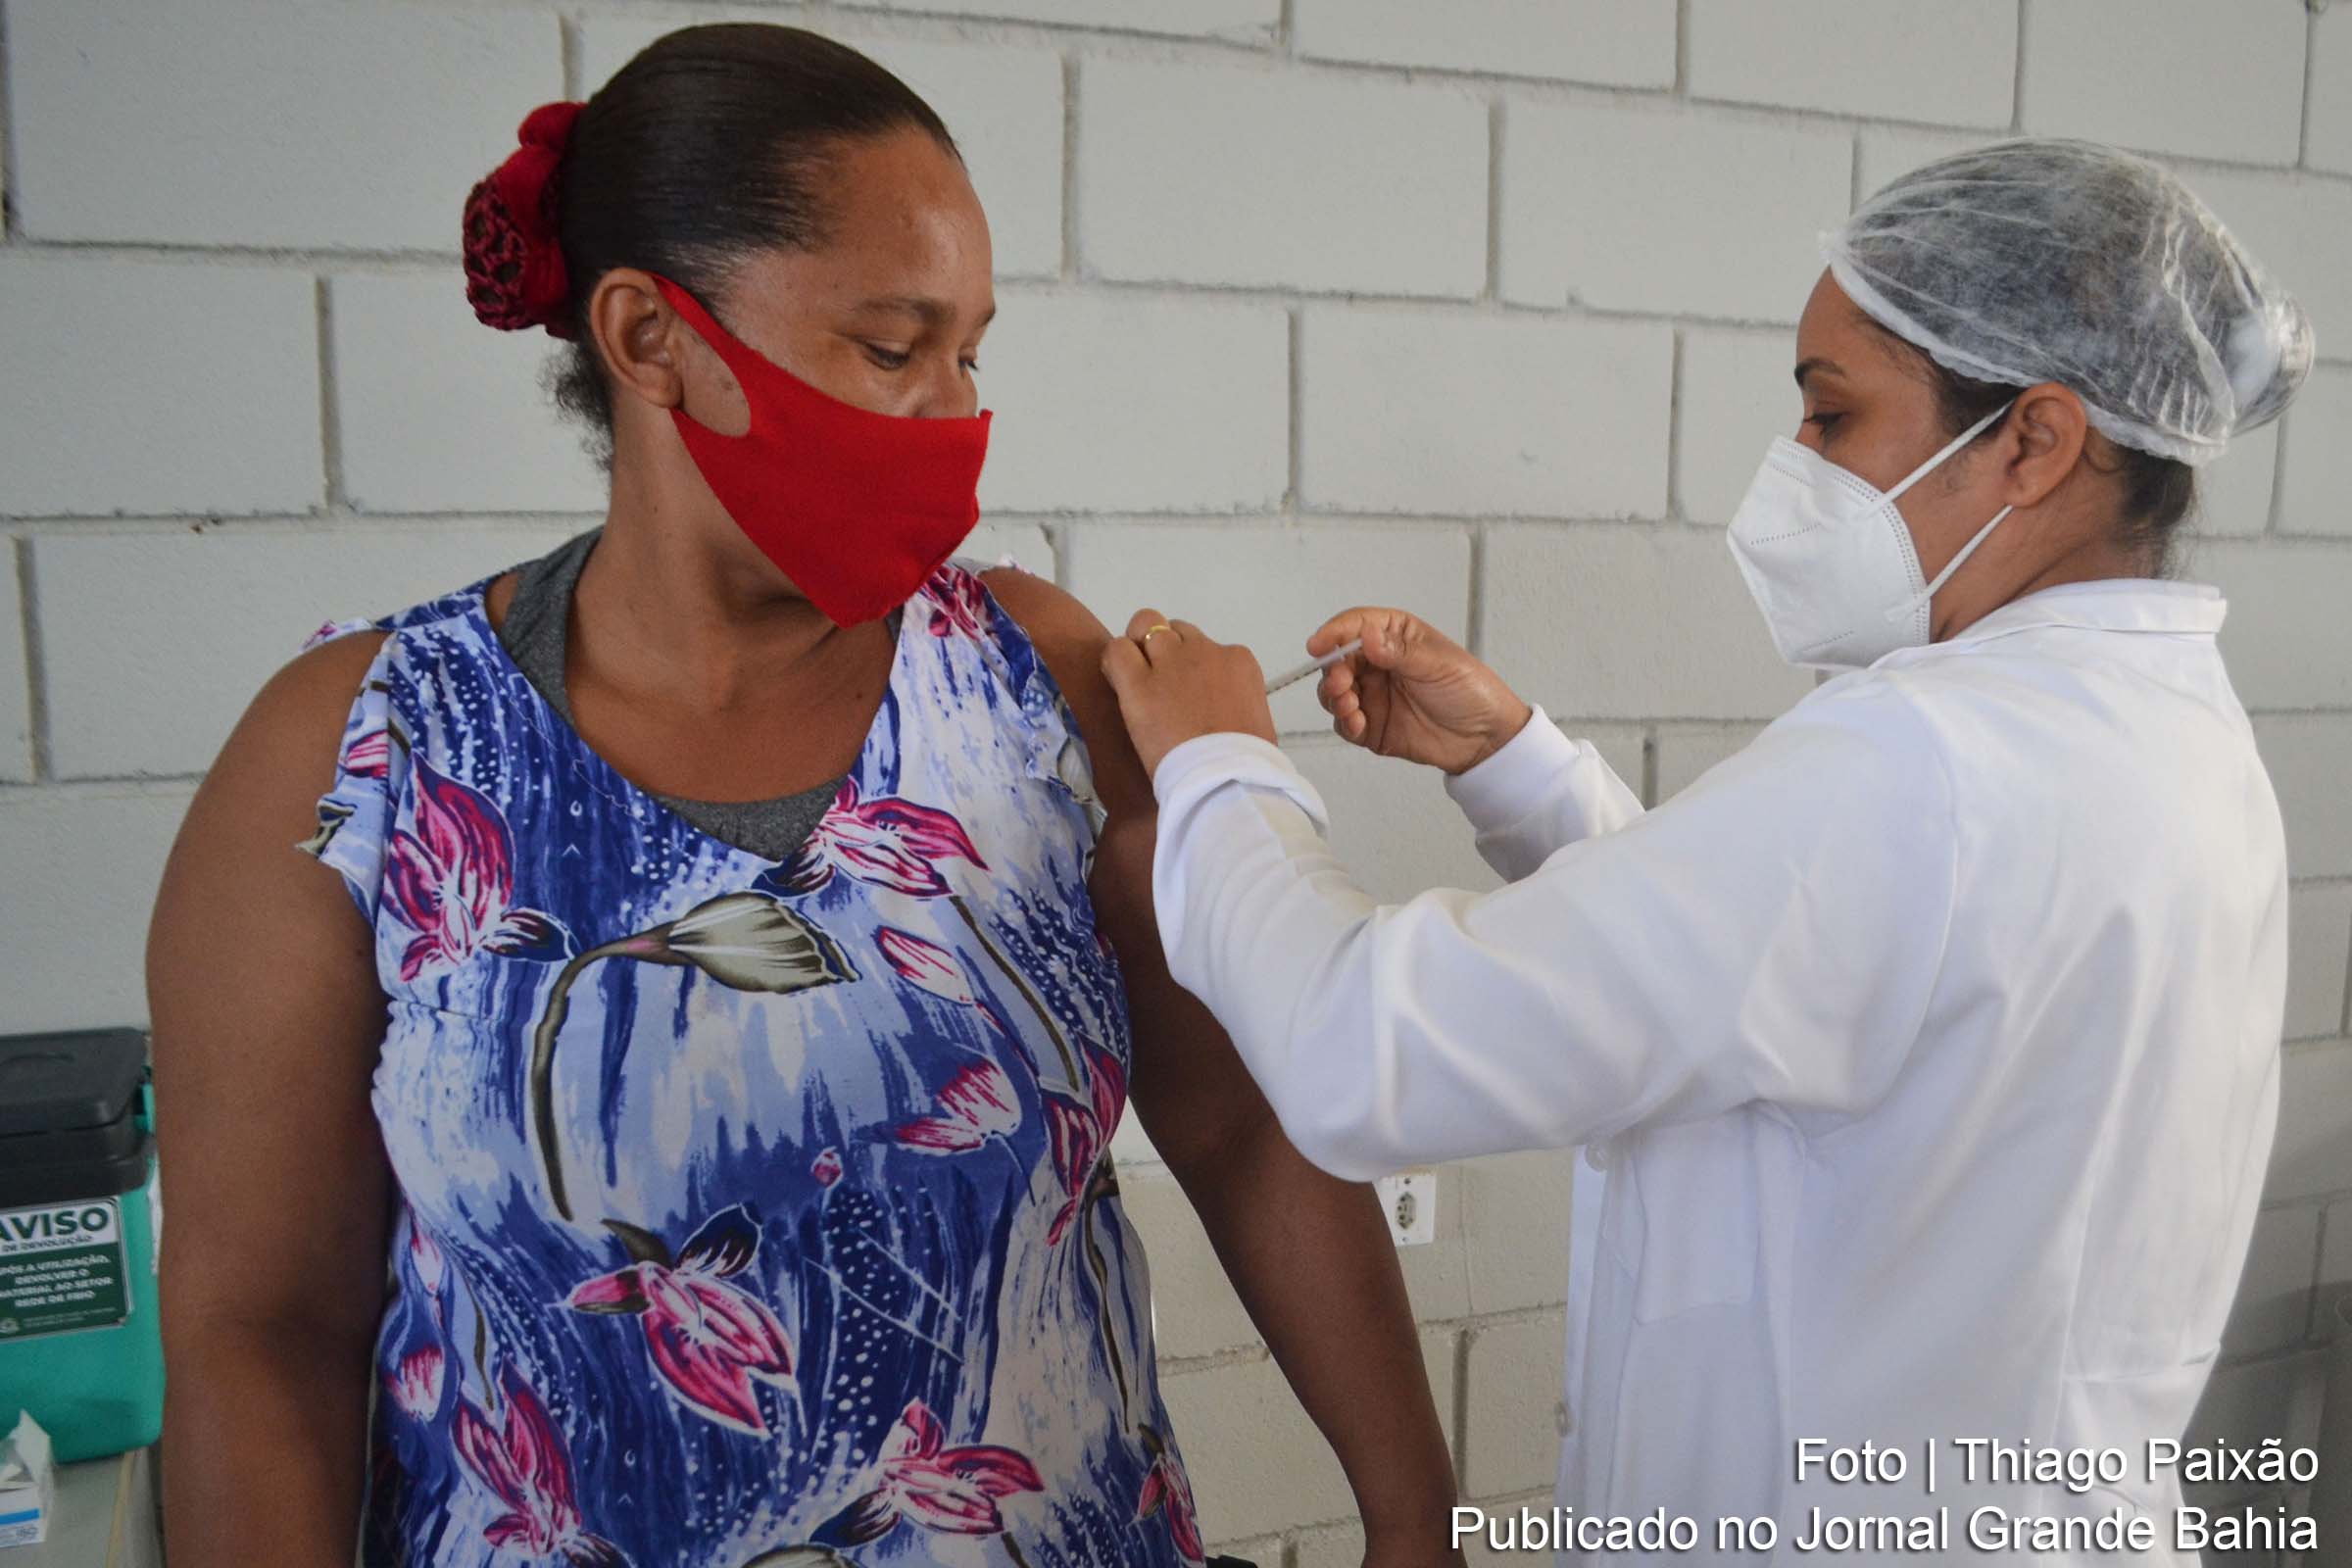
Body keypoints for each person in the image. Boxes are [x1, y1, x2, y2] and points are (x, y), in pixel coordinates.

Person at [145, 24, 1460, 1568]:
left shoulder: (1041, 689)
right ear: (649, 340)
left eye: (972, 352)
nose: (954, 417)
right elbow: (261, 1330)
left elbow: (1246, 1128)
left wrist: (1416, 1518)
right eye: (894, 350)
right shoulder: (363, 754)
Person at [1100, 138, 2310, 1556]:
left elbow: (1362, 1052)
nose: (1795, 468)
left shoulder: (1924, 760)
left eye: (1834, 417)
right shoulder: (2160, 736)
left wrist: (1217, 765)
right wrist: (1520, 768)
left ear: (2034, 442)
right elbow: (1798, 986)